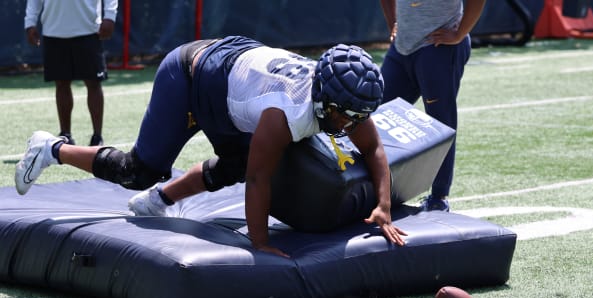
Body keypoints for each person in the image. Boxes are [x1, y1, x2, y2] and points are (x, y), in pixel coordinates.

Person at [15, 36, 407, 257]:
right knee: (138, 171)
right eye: (345, 115)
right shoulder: (286, 113)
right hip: (191, 78)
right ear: (324, 98)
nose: (350, 124)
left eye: (356, 115)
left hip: (231, 78)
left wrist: (383, 205)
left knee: (234, 164)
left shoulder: (338, 95)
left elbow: (373, 148)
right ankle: (51, 148)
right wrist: (260, 243)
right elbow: (259, 181)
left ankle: (161, 200)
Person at [379, 0, 486, 211]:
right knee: (374, 115)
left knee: (440, 122)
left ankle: (439, 197)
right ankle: (375, 189)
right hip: (401, 48)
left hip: (438, 48)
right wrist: (393, 22)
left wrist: (459, 34)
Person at [24, 0, 118, 146]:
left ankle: (97, 137)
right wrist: (30, 22)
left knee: (93, 83)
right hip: (53, 30)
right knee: (61, 83)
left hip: (88, 29)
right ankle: (65, 135)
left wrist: (110, 16)